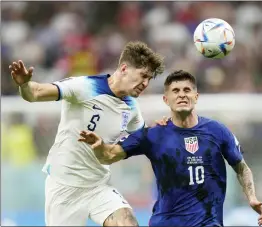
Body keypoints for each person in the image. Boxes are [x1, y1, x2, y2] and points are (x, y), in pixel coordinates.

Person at [78, 70, 262, 226]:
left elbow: (241, 167)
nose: (182, 94)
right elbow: (109, 155)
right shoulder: (153, 134)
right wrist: (100, 146)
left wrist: (251, 197)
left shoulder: (217, 131)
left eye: (187, 90)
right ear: (166, 99)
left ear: (196, 96)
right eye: (175, 91)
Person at [9, 41, 165, 226]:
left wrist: (160, 129)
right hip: (64, 188)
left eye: (149, 79)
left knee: (127, 223)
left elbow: (142, 138)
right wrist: (24, 85)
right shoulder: (85, 86)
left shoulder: (131, 106)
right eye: (143, 76)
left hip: (98, 187)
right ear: (124, 68)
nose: (145, 83)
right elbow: (35, 93)